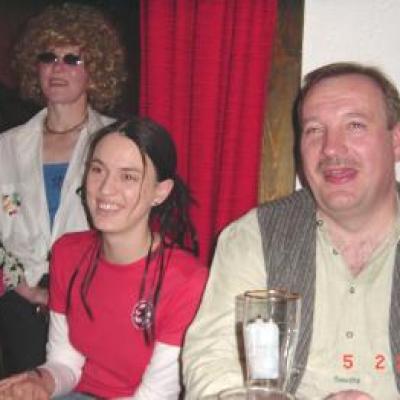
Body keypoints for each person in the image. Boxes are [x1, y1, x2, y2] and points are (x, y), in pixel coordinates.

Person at [182, 62, 400, 399]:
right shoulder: (253, 237)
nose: (331, 148)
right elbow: (213, 367)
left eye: (355, 125)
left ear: (396, 141)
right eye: (314, 130)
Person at [0, 117, 208, 399]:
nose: (106, 189)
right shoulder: (67, 253)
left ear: (160, 192)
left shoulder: (186, 281)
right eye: (97, 170)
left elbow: (156, 395)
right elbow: (65, 361)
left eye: (128, 176)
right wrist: (41, 382)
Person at [0, 2, 127, 376]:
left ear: (95, 70)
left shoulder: (117, 141)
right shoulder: (6, 146)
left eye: (73, 59)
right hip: (19, 305)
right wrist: (25, 289)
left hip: (93, 299)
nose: (58, 68)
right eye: (49, 57)